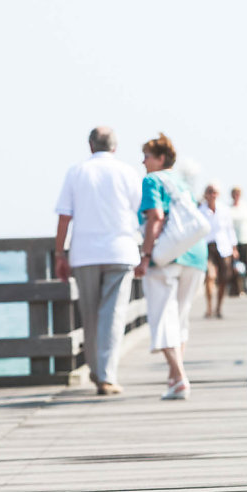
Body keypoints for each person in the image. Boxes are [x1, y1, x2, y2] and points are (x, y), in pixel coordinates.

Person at [55, 127, 141, 396]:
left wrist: (60, 253)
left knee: (90, 315)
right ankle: (105, 374)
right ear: (114, 147)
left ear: (90, 145)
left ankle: (97, 370)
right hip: (121, 251)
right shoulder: (128, 172)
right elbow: (140, 212)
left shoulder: (77, 171)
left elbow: (64, 216)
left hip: (85, 253)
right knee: (112, 315)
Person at [135, 133, 208, 401]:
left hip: (167, 255)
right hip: (196, 254)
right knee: (180, 317)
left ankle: (179, 376)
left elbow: (155, 217)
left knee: (161, 315)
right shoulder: (182, 183)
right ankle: (174, 378)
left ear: (161, 158)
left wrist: (145, 256)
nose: (143, 161)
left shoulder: (152, 180)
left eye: (148, 156)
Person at [199, 183, 237, 318]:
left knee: (223, 279)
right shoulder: (200, 210)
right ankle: (209, 307)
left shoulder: (224, 209)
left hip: (223, 246)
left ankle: (218, 307)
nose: (212, 195)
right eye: (209, 192)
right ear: (205, 194)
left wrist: (234, 247)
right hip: (206, 246)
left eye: (214, 192)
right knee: (210, 276)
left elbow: (229, 229)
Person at [229, 186, 247, 295]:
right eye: (234, 194)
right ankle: (237, 287)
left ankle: (246, 286)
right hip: (235, 241)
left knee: (246, 264)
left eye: (238, 194)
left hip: (246, 238)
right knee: (236, 264)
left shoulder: (245, 206)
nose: (236, 196)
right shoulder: (229, 209)